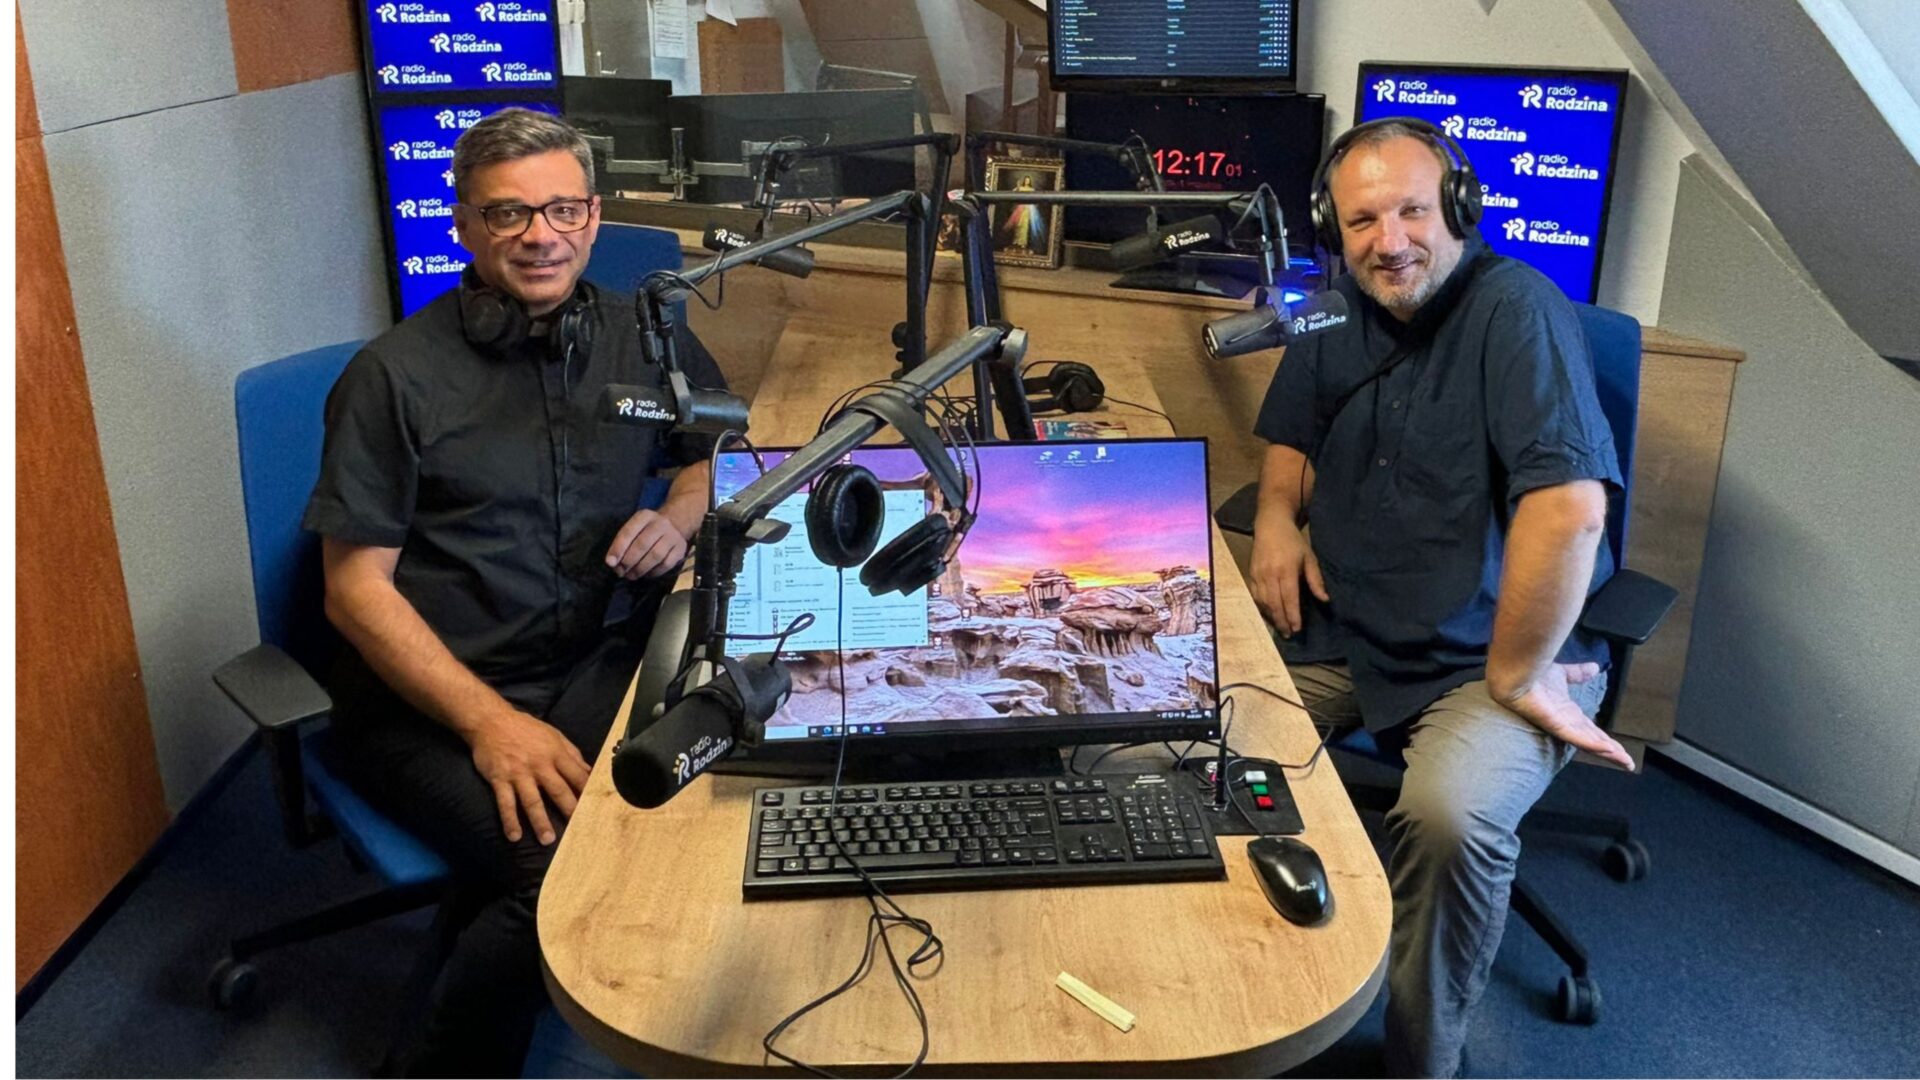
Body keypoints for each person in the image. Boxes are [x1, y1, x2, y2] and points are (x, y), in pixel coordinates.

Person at [303, 108, 726, 1077]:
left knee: (691, 799)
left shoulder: (641, 336)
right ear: (463, 225)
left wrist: (678, 514)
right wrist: (491, 724)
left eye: (562, 209)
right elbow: (354, 592)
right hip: (431, 705)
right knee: (564, 869)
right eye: (508, 214)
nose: (541, 235)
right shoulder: (391, 378)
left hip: (588, 664)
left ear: (593, 216)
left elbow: (714, 453)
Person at [1249, 119, 1631, 1078]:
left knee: (1448, 820)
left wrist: (1519, 673)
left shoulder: (1518, 312)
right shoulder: (1335, 311)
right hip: (1347, 628)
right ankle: (1246, 999)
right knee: (1192, 735)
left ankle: (1421, 1060)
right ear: (1333, 229)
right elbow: (1292, 440)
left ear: (1459, 206)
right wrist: (1278, 521)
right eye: (1362, 221)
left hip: (1488, 654)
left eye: (1413, 211)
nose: (1390, 241)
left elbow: (1571, 509)